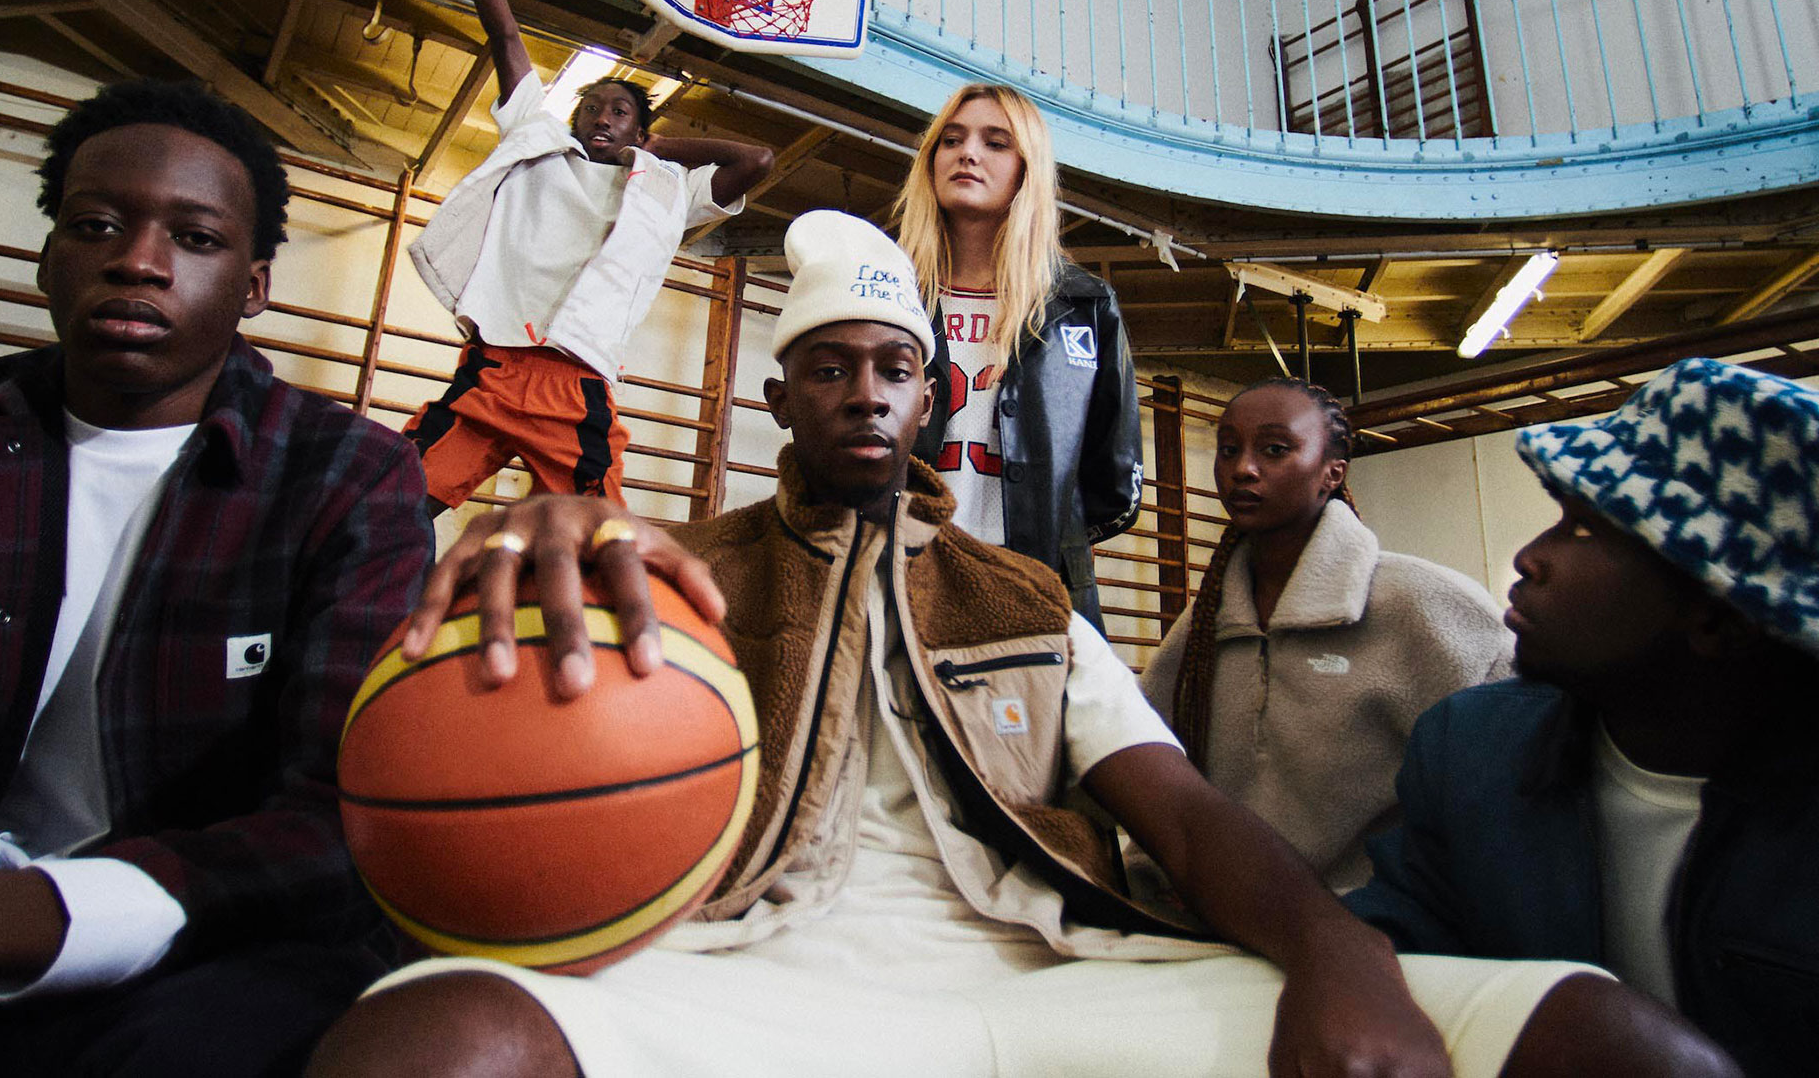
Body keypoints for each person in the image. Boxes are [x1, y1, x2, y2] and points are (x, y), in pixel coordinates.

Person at [308, 211, 1735, 1078]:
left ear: (930, 399)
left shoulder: (1025, 599)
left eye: (895, 368)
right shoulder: (682, 572)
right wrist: (537, 528)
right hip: (749, 977)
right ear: (779, 397)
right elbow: (504, 723)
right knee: (428, 1037)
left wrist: (1338, 952)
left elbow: (1183, 812)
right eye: (828, 368)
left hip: (1059, 973)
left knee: (1599, 1037)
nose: (865, 393)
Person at [0, 80, 433, 1076]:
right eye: (96, 225)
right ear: (48, 256)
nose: (139, 261)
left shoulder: (348, 475)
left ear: (254, 286)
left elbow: (346, 817)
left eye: (195, 238)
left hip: (186, 943)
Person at [1344, 357, 1819, 1078]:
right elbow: (1395, 944)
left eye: (1587, 531)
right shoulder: (1471, 752)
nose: (1530, 557)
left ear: (1718, 617)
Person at [404, 0, 773, 519]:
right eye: (591, 107)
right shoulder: (538, 143)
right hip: (493, 366)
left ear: (639, 130)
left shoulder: (666, 190)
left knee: (593, 549)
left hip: (576, 387)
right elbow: (505, 37)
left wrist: (661, 145)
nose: (602, 116)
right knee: (388, 504)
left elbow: (758, 161)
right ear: (572, 119)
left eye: (619, 111)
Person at [1138, 378, 1511, 888]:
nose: (1243, 468)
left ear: (1332, 472)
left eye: (1274, 449)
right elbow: (1144, 770)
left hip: (1378, 918)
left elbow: (1510, 782)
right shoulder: (1201, 630)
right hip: (1219, 918)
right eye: (1228, 450)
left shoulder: (1425, 603)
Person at [895, 83, 1140, 629]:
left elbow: (1114, 481)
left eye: (995, 142)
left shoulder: (1084, 306)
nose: (968, 153)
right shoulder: (886, 292)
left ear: (1028, 168)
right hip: (902, 579)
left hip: (1030, 591)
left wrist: (1047, 538)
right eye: (951, 139)